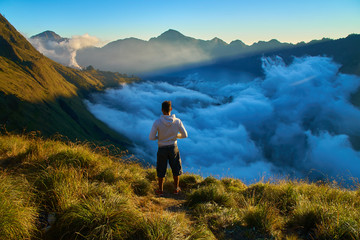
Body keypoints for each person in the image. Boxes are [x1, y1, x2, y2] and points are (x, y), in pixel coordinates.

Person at [149, 100, 188, 195]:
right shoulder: (177, 121)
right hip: (173, 147)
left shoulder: (157, 122)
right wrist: (175, 136)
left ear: (162, 110)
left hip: (162, 147)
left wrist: (160, 137)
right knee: (176, 168)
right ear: (171, 109)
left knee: (161, 168)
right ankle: (176, 189)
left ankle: (160, 190)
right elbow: (185, 135)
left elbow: (151, 137)